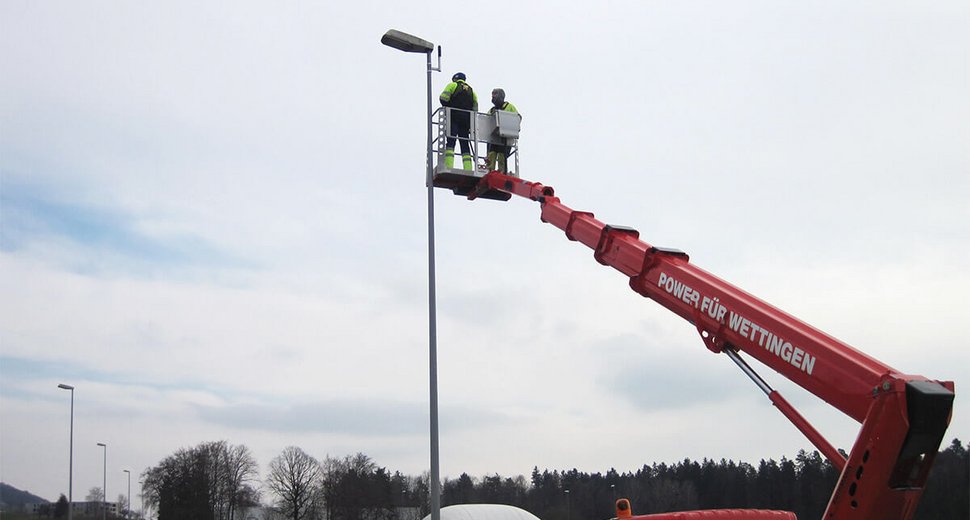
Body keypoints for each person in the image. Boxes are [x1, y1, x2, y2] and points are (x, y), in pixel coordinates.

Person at [439, 72, 478, 170]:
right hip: (466, 121)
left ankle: (448, 166)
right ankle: (468, 168)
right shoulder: (472, 91)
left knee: (451, 142)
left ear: (455, 79)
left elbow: (443, 98)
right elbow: (475, 109)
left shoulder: (452, 85)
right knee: (465, 144)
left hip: (453, 117)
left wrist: (448, 106)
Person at [486, 88, 519, 173]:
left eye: (495, 94)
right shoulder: (492, 110)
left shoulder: (509, 107)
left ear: (501, 95)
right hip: (493, 138)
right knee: (491, 155)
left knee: (502, 156)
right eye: (492, 94)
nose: (493, 96)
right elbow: (485, 122)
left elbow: (518, 118)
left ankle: (501, 173)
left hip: (506, 138)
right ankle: (490, 171)